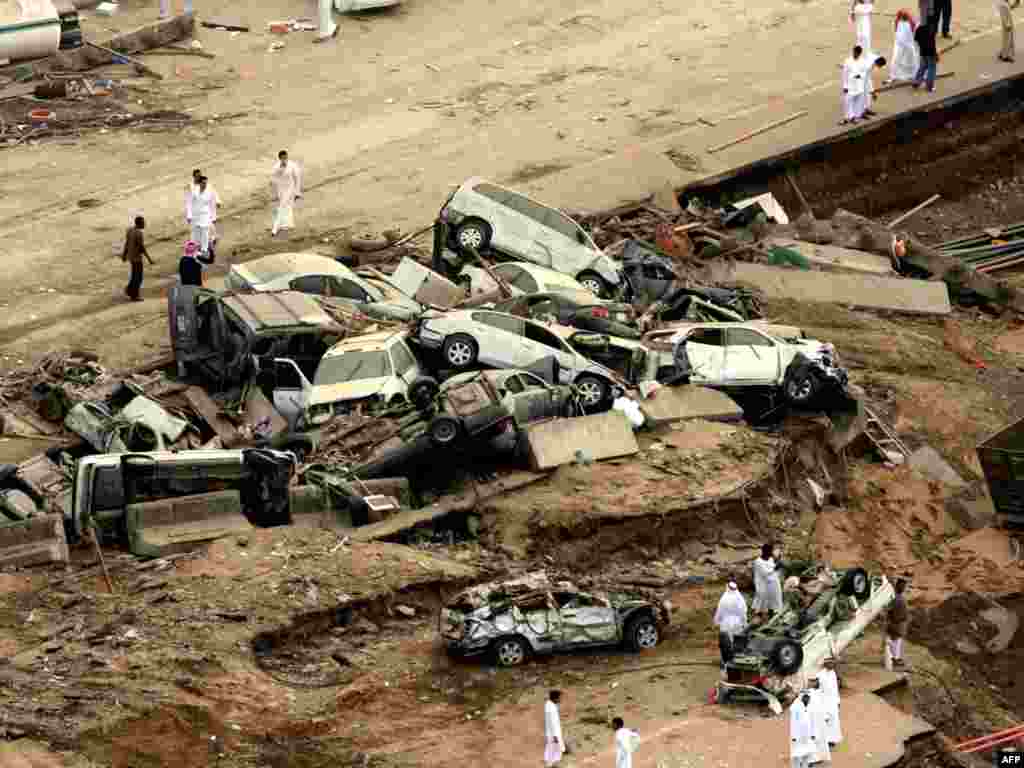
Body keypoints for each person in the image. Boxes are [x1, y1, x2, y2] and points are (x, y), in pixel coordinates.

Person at [713, 581, 747, 670]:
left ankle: (725, 663)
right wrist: (744, 623)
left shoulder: (724, 598)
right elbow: (743, 612)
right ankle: (736, 662)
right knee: (736, 642)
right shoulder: (740, 598)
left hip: (726, 623)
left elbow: (719, 611)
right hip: (737, 623)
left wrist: (716, 621)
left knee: (725, 643)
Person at [121, 215, 153, 301]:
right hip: (137, 258)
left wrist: (124, 255)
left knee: (134, 275)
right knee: (138, 277)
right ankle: (134, 295)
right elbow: (141, 247)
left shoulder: (130, 230)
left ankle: (129, 290)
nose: (144, 224)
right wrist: (149, 259)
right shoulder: (139, 233)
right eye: (143, 223)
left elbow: (127, 243)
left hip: (131, 257)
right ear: (139, 224)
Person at [270, 150, 303, 236]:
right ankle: (287, 224)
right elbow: (273, 178)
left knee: (282, 206)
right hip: (281, 190)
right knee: (286, 206)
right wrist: (280, 170)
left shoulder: (292, 165)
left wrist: (297, 192)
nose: (284, 160)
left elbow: (297, 178)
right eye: (282, 158)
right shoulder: (276, 166)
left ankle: (275, 228)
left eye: (285, 158)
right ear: (280, 159)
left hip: (290, 189)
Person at [817, 658, 843, 748]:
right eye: (831, 663)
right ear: (826, 664)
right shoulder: (820, 675)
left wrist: (838, 701)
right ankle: (824, 740)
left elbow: (835, 688)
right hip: (823, 701)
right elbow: (818, 690)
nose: (833, 665)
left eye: (833, 663)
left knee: (833, 721)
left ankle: (832, 739)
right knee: (825, 721)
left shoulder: (833, 673)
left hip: (833, 701)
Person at [188, 175, 216, 257]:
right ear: (199, 183)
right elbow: (189, 203)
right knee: (194, 233)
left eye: (206, 183)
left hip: (205, 215)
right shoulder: (194, 191)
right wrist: (189, 215)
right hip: (195, 215)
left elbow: (212, 204)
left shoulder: (209, 192)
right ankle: (194, 250)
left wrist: (213, 217)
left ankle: (204, 250)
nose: (205, 185)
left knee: (205, 232)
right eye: (203, 183)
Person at [752, 543, 783, 616]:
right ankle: (759, 614)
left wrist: (777, 565)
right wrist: (776, 568)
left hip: (773, 584)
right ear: (765, 552)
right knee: (762, 602)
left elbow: (772, 569)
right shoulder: (758, 562)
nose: (772, 553)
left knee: (774, 602)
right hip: (763, 585)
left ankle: (772, 613)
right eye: (770, 551)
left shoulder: (770, 559)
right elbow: (765, 573)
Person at [841, 46, 870, 124]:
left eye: (856, 53)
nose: (854, 54)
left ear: (859, 53)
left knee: (858, 102)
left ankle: (856, 116)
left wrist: (860, 75)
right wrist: (845, 86)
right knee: (848, 101)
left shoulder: (863, 62)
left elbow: (865, 72)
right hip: (850, 85)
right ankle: (849, 117)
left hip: (859, 84)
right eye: (854, 52)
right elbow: (844, 74)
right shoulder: (847, 61)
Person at [789, 690, 818, 768]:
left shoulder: (810, 706)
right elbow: (793, 723)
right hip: (798, 736)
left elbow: (813, 721)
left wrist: (813, 734)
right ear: (801, 697)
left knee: (807, 753)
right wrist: (794, 736)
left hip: (807, 735)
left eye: (808, 697)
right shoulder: (796, 707)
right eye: (806, 697)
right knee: (797, 755)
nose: (807, 699)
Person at [885, 578, 909, 669]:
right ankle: (894, 659)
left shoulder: (895, 598)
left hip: (896, 623)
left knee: (895, 641)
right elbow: (891, 611)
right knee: (895, 641)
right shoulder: (898, 599)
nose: (905, 588)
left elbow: (889, 611)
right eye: (904, 586)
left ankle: (895, 658)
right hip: (896, 623)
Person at [889, 10, 920, 81]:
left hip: (901, 44)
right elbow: (914, 28)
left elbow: (896, 30)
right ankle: (911, 73)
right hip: (906, 44)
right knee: (909, 58)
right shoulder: (910, 23)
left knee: (897, 58)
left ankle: (894, 74)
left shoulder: (898, 22)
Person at [806, 681, 832, 764]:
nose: (812, 683)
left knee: (820, 739)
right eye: (811, 681)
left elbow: (824, 706)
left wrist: (826, 717)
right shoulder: (805, 693)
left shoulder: (820, 693)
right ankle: (811, 758)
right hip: (810, 720)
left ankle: (818, 757)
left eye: (814, 681)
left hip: (819, 721)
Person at [913, 21, 939, 92]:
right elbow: (932, 43)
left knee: (922, 66)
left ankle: (917, 81)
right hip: (930, 52)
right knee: (932, 68)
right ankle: (929, 86)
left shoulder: (919, 27)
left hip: (922, 51)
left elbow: (916, 39)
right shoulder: (931, 27)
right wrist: (935, 54)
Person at [544, 690, 565, 767]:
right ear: (555, 698)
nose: (560, 699)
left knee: (551, 750)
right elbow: (553, 723)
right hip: (553, 734)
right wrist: (555, 736)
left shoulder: (549, 705)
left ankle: (551, 765)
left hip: (551, 733)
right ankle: (552, 765)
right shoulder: (552, 708)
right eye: (559, 698)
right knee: (554, 751)